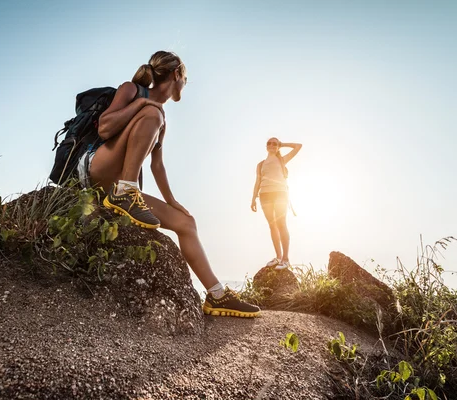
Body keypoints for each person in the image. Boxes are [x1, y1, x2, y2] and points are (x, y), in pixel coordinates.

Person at [80, 50, 260, 318]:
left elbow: (157, 166)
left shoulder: (158, 116)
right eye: (185, 79)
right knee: (154, 113)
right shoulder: (134, 92)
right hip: (95, 168)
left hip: (116, 188)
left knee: (187, 223)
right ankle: (126, 193)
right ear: (177, 74)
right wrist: (143, 106)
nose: (184, 85)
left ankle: (217, 295)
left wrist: (173, 202)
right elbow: (105, 128)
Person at [251, 138, 302, 270]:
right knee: (272, 225)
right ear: (266, 146)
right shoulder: (260, 164)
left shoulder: (282, 160)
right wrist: (253, 198)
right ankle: (278, 257)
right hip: (264, 195)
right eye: (269, 143)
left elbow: (298, 146)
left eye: (275, 143)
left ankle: (286, 259)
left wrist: (282, 145)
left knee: (281, 224)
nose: (272, 145)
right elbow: (257, 181)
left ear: (278, 146)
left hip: (280, 194)